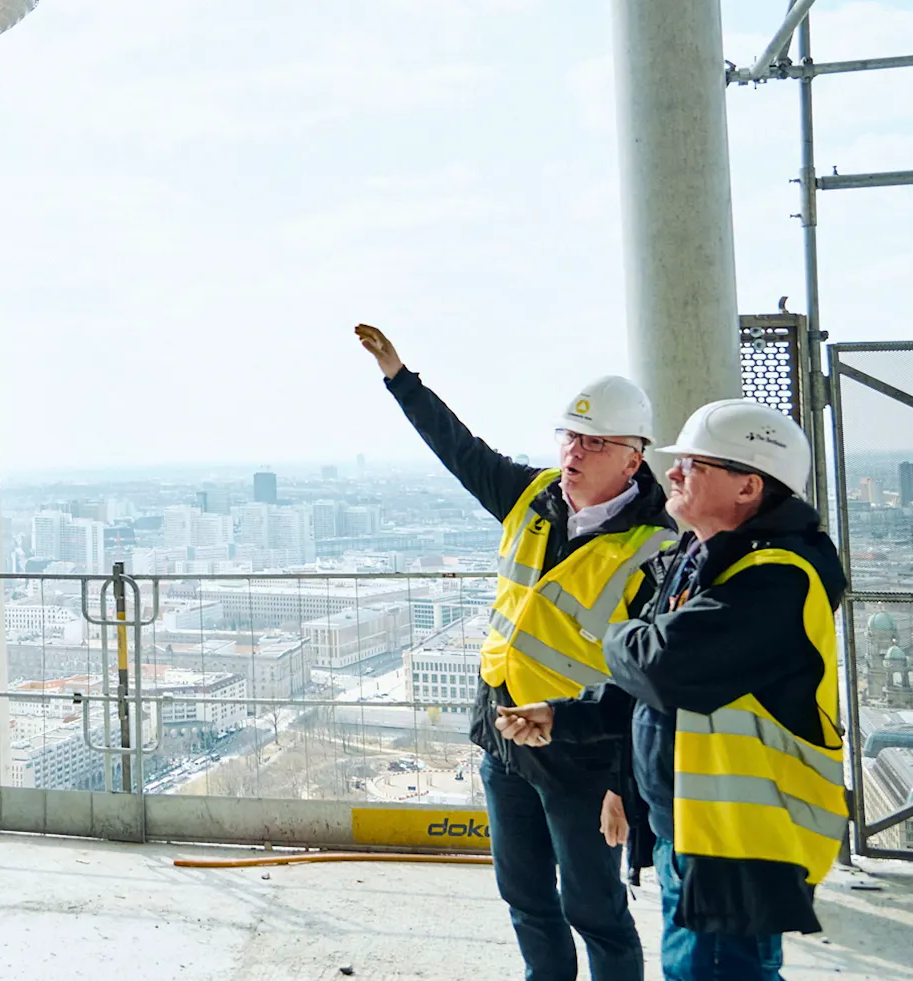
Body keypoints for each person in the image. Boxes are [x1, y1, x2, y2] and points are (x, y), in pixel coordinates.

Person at [356, 324, 677, 981]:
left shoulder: (656, 548)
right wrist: (398, 375)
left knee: (596, 910)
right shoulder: (531, 497)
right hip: (506, 735)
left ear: (633, 457)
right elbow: (459, 449)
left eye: (594, 441)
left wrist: (624, 784)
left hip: (583, 756)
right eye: (570, 436)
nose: (575, 451)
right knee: (526, 897)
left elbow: (650, 684)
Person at [497, 399, 846, 981]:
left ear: (748, 486)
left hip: (740, 838)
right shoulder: (704, 558)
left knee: (714, 972)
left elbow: (661, 667)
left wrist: (619, 633)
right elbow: (660, 686)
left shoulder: (778, 577)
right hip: (692, 827)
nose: (675, 474)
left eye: (694, 464)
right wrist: (567, 716)